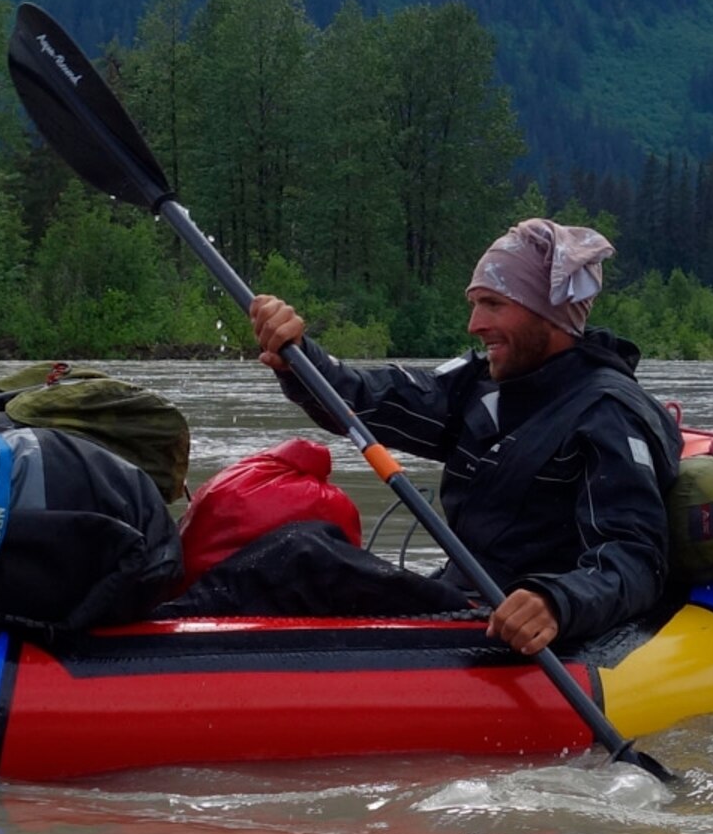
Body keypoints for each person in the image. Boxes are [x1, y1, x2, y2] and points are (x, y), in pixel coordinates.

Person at [246, 218, 679, 657]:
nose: (475, 323)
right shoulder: (480, 384)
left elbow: (634, 558)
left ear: (547, 313)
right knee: (295, 548)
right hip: (457, 602)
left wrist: (557, 601)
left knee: (301, 558)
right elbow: (362, 399)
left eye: (492, 304)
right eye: (475, 304)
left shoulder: (611, 414)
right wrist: (297, 355)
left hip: (517, 628)